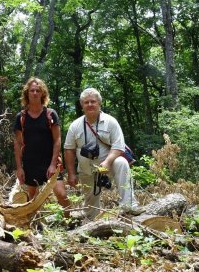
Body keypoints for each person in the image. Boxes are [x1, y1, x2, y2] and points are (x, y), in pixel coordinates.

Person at [64, 87, 138, 219]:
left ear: (99, 103)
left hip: (108, 166)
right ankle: (92, 225)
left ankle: (129, 206)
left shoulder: (111, 122)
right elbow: (69, 150)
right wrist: (71, 173)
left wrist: (108, 162)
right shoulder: (75, 125)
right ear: (82, 105)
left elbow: (118, 146)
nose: (90, 104)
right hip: (87, 171)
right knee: (90, 212)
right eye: (86, 102)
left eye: (93, 101)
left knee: (121, 162)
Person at [13, 78, 70, 214]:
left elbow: (57, 140)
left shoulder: (50, 114)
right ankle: (32, 226)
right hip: (30, 163)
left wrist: (52, 164)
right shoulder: (21, 117)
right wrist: (19, 168)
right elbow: (18, 144)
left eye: (38, 90)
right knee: (31, 201)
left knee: (61, 195)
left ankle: (70, 222)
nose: (34, 93)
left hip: (50, 162)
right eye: (32, 90)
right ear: (27, 93)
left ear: (42, 93)